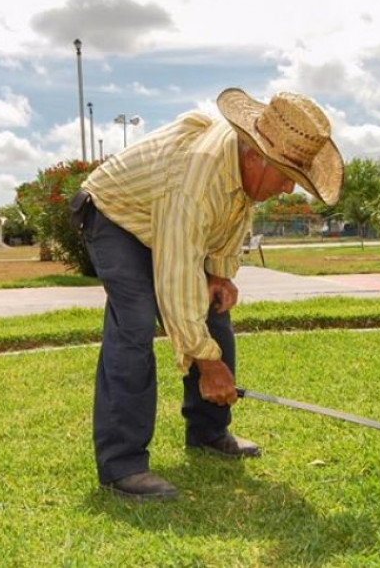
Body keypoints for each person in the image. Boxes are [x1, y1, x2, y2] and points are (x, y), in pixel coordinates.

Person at [71, 87, 344, 501]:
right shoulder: (197, 177)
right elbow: (175, 276)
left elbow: (232, 215)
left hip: (163, 219)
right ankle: (121, 465)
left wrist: (219, 273)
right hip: (115, 215)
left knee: (214, 312)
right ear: (256, 155)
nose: (289, 190)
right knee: (136, 321)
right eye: (287, 177)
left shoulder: (240, 170)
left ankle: (208, 432)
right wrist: (206, 362)